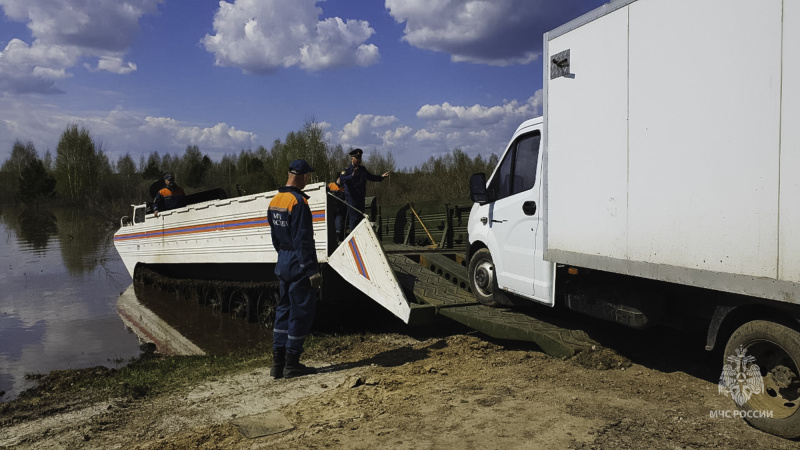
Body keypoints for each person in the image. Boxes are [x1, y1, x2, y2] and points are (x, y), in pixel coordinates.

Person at [268, 159, 323, 379]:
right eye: (308, 176)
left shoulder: (275, 200)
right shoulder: (299, 202)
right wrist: (312, 270)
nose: (308, 180)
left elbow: (275, 237)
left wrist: (284, 256)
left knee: (283, 310)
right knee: (300, 312)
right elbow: (303, 240)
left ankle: (277, 364)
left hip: (283, 261)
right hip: (299, 264)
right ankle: (292, 364)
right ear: (300, 176)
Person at [339, 148, 389, 233]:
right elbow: (342, 180)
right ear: (352, 158)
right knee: (354, 219)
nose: (358, 160)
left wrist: (381, 177)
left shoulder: (363, 170)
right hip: (351, 199)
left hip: (361, 199)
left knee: (361, 219)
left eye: (360, 158)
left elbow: (371, 177)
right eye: (357, 158)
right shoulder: (346, 170)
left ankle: (361, 237)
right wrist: (352, 175)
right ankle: (354, 237)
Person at [327, 177, 346, 241]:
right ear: (337, 178)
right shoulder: (331, 185)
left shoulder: (344, 188)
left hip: (340, 208)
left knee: (339, 220)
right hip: (330, 207)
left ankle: (337, 235)